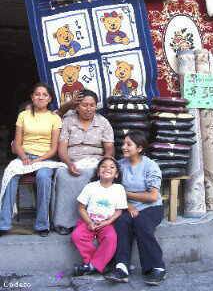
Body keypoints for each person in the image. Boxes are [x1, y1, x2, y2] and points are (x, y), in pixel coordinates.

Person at [105, 130, 166, 286]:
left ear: (139, 148)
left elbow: (152, 196)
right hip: (128, 206)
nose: (124, 147)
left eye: (128, 144)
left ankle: (157, 267)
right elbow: (113, 190)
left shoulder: (150, 166)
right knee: (121, 223)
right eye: (124, 143)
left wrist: (127, 194)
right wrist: (128, 205)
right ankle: (121, 267)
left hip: (152, 207)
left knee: (141, 223)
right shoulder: (120, 165)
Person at [0, 82, 62, 237]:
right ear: (32, 97)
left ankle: (42, 224)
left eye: (44, 95)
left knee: (43, 177)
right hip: (25, 156)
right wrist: (24, 157)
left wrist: (38, 160)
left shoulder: (54, 118)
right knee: (10, 176)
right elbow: (17, 142)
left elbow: (54, 148)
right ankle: (4, 223)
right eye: (37, 94)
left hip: (45, 158)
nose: (40, 97)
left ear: (50, 99)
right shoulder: (23, 115)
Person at [52, 89, 114, 235]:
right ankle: (65, 222)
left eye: (92, 105)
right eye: (85, 105)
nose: (88, 109)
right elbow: (62, 149)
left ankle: (94, 220)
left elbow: (109, 149)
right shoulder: (68, 121)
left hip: (95, 161)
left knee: (92, 175)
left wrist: (104, 163)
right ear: (77, 106)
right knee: (63, 175)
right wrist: (68, 163)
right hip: (72, 161)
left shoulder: (103, 122)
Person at [72, 157, 127, 276]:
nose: (107, 168)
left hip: (107, 223)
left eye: (112, 167)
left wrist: (107, 222)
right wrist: (89, 222)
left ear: (116, 174)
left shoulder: (119, 189)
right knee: (77, 235)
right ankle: (95, 263)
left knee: (111, 238)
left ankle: (90, 266)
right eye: (103, 166)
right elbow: (81, 208)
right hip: (88, 220)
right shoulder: (90, 187)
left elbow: (119, 211)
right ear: (98, 172)